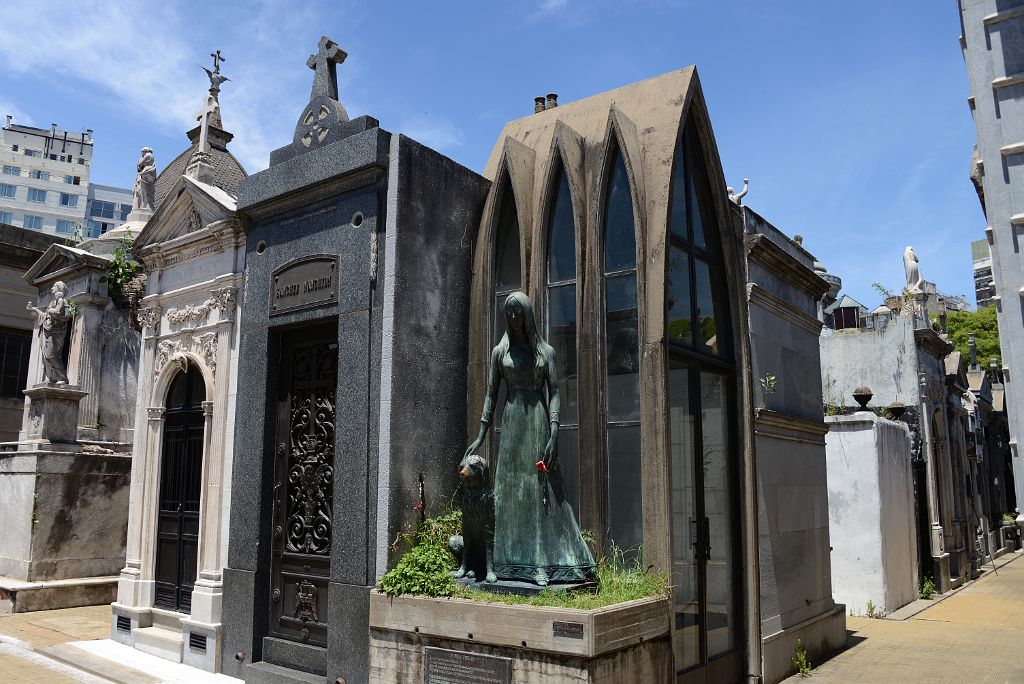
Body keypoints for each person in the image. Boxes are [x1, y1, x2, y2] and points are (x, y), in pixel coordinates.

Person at [464, 291, 595, 586]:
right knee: (508, 487)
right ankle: (503, 561)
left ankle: (540, 562)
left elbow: (556, 393)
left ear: (527, 314)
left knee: (539, 490)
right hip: (511, 424)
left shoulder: (545, 352)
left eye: (517, 312)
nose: (513, 318)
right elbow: (490, 393)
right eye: (508, 313)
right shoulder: (500, 352)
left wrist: (555, 430)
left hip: (537, 420)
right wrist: (482, 433)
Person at [26, 281, 70, 384]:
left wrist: (53, 313)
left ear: (59, 288)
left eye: (54, 286)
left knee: (51, 355)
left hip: (56, 331)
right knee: (45, 357)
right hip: (47, 330)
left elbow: (64, 316)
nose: (51, 288)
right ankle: (50, 378)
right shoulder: (52, 302)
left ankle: (62, 378)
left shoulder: (62, 301)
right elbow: (45, 315)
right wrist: (34, 309)